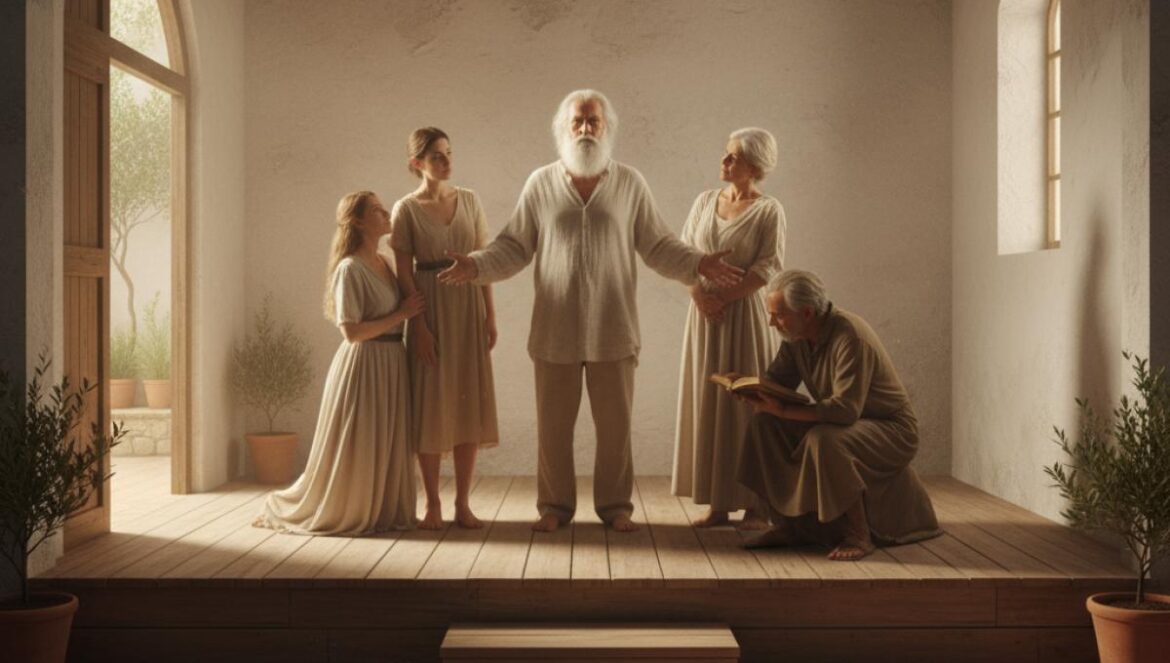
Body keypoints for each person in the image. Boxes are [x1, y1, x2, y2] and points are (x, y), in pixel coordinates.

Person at [440, 89, 744, 533]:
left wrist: (699, 263)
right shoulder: (540, 183)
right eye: (577, 122)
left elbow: (657, 244)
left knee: (615, 431)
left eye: (593, 122)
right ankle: (554, 509)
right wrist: (475, 265)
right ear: (563, 129)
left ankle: (616, 508)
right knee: (554, 431)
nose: (585, 130)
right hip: (554, 331)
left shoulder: (630, 182)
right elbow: (514, 245)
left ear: (607, 128)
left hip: (613, 328)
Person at [736, 269, 941, 560]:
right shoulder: (796, 336)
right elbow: (777, 381)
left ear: (807, 312)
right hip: (847, 422)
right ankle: (789, 526)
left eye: (778, 315)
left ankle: (858, 535)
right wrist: (752, 390)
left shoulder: (850, 336)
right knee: (764, 424)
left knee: (825, 441)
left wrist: (783, 408)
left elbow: (845, 411)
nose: (772, 322)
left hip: (892, 430)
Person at [254, 191, 425, 536]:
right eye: (377, 210)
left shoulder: (385, 263)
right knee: (360, 443)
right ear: (359, 221)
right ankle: (351, 507)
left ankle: (379, 510)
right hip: (365, 365)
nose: (387, 211)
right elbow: (351, 332)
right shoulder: (350, 268)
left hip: (391, 362)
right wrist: (402, 314)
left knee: (385, 439)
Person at [672, 128, 786, 530]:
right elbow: (682, 256)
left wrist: (725, 297)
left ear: (754, 167)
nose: (724, 162)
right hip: (704, 318)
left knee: (745, 404)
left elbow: (768, 267)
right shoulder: (704, 202)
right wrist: (700, 297)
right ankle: (718, 504)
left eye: (733, 157)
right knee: (711, 403)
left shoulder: (769, 210)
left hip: (742, 319)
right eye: (726, 154)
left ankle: (756, 505)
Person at [389, 128, 499, 530]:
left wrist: (490, 315)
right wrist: (417, 327)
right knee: (432, 406)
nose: (447, 161)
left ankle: (463, 504)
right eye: (437, 156)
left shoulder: (469, 200)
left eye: (449, 153)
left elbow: (483, 261)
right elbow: (404, 273)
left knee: (469, 405)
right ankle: (433, 503)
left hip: (468, 305)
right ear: (417, 163)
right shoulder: (405, 209)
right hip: (431, 308)